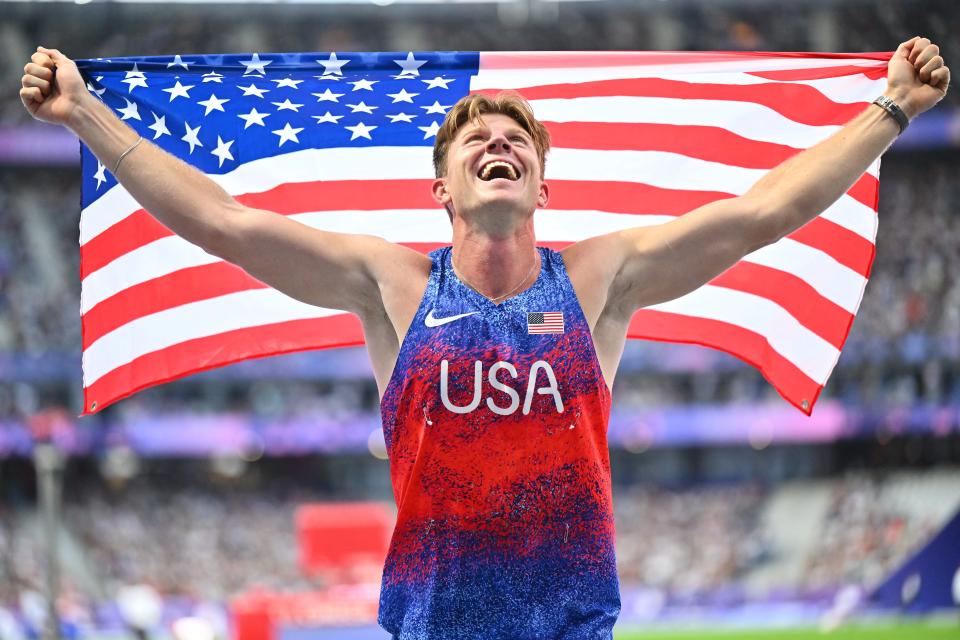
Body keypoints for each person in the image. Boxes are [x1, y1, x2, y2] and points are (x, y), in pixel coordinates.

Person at [20, 38, 949, 639]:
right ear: (444, 189)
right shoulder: (391, 285)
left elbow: (762, 212)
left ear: (542, 186)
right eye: (476, 139)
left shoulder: (598, 280)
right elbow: (223, 222)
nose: (496, 140)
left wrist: (890, 109)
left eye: (516, 139)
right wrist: (83, 115)